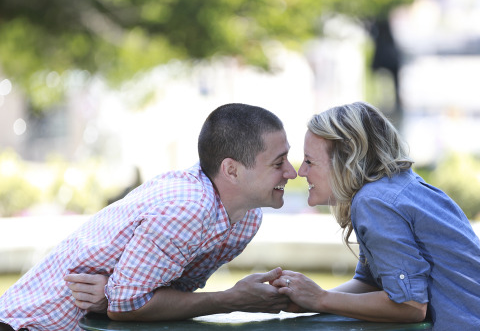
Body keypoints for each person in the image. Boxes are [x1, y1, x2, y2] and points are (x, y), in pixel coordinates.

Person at [0, 103, 297, 331]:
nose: (291, 172)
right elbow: (128, 305)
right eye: (277, 162)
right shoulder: (188, 208)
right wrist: (232, 298)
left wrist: (112, 295)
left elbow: (156, 295)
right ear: (231, 170)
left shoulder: (246, 220)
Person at [271, 101, 480, 330]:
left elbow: (410, 305)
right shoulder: (399, 187)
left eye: (309, 161)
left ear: (346, 161)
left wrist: (321, 299)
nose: (301, 172)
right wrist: (304, 300)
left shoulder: (373, 202)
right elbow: (369, 283)